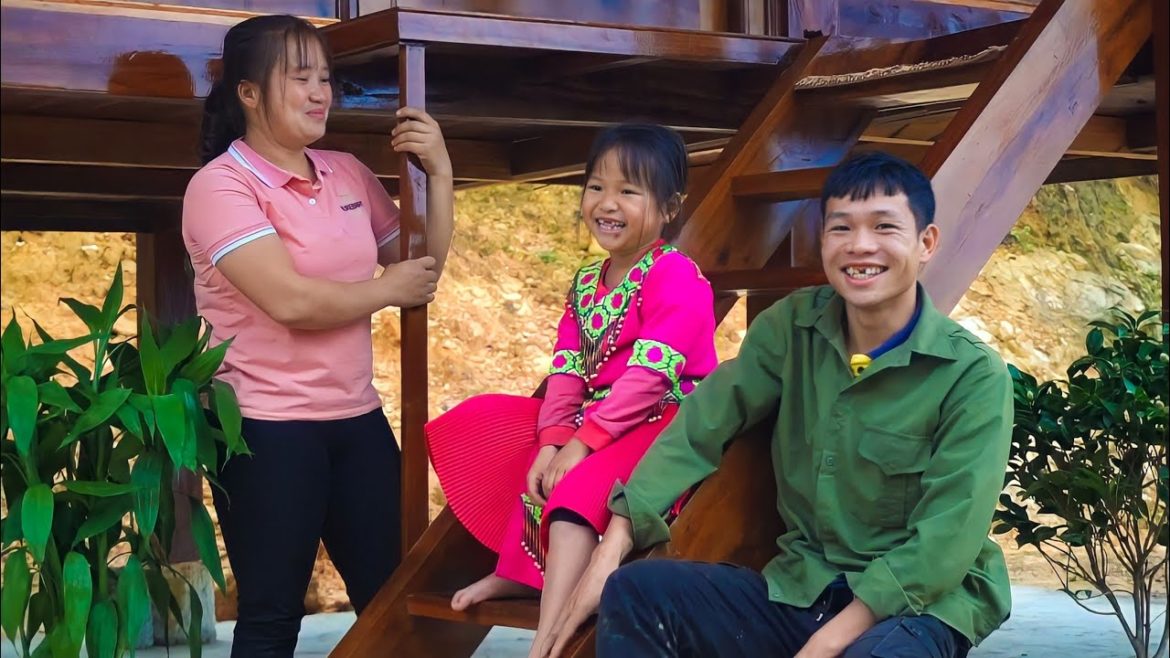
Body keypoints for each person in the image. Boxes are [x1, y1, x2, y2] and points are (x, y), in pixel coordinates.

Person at [543, 151, 1014, 658]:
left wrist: (823, 645)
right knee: (638, 591)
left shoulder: (971, 375)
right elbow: (703, 422)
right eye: (841, 228)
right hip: (804, 585)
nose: (860, 246)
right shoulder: (792, 328)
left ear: (926, 243)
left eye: (884, 227)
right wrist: (614, 542)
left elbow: (946, 539)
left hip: (919, 606)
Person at [181, 14, 454, 657]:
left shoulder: (347, 173)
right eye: (299, 78)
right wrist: (388, 288)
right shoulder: (221, 186)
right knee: (274, 616)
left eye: (325, 78)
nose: (319, 92)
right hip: (263, 428)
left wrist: (440, 173)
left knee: (396, 603)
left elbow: (421, 267)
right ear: (248, 93)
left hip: (356, 421)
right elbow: (291, 301)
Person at [425, 124, 719, 658]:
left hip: (664, 419)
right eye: (596, 187)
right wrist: (552, 438)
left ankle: (549, 637)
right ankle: (520, 574)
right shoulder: (587, 281)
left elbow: (651, 374)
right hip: (600, 419)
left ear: (670, 206)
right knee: (509, 446)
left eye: (629, 191)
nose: (607, 203)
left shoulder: (675, 276)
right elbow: (566, 369)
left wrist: (582, 443)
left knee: (578, 488)